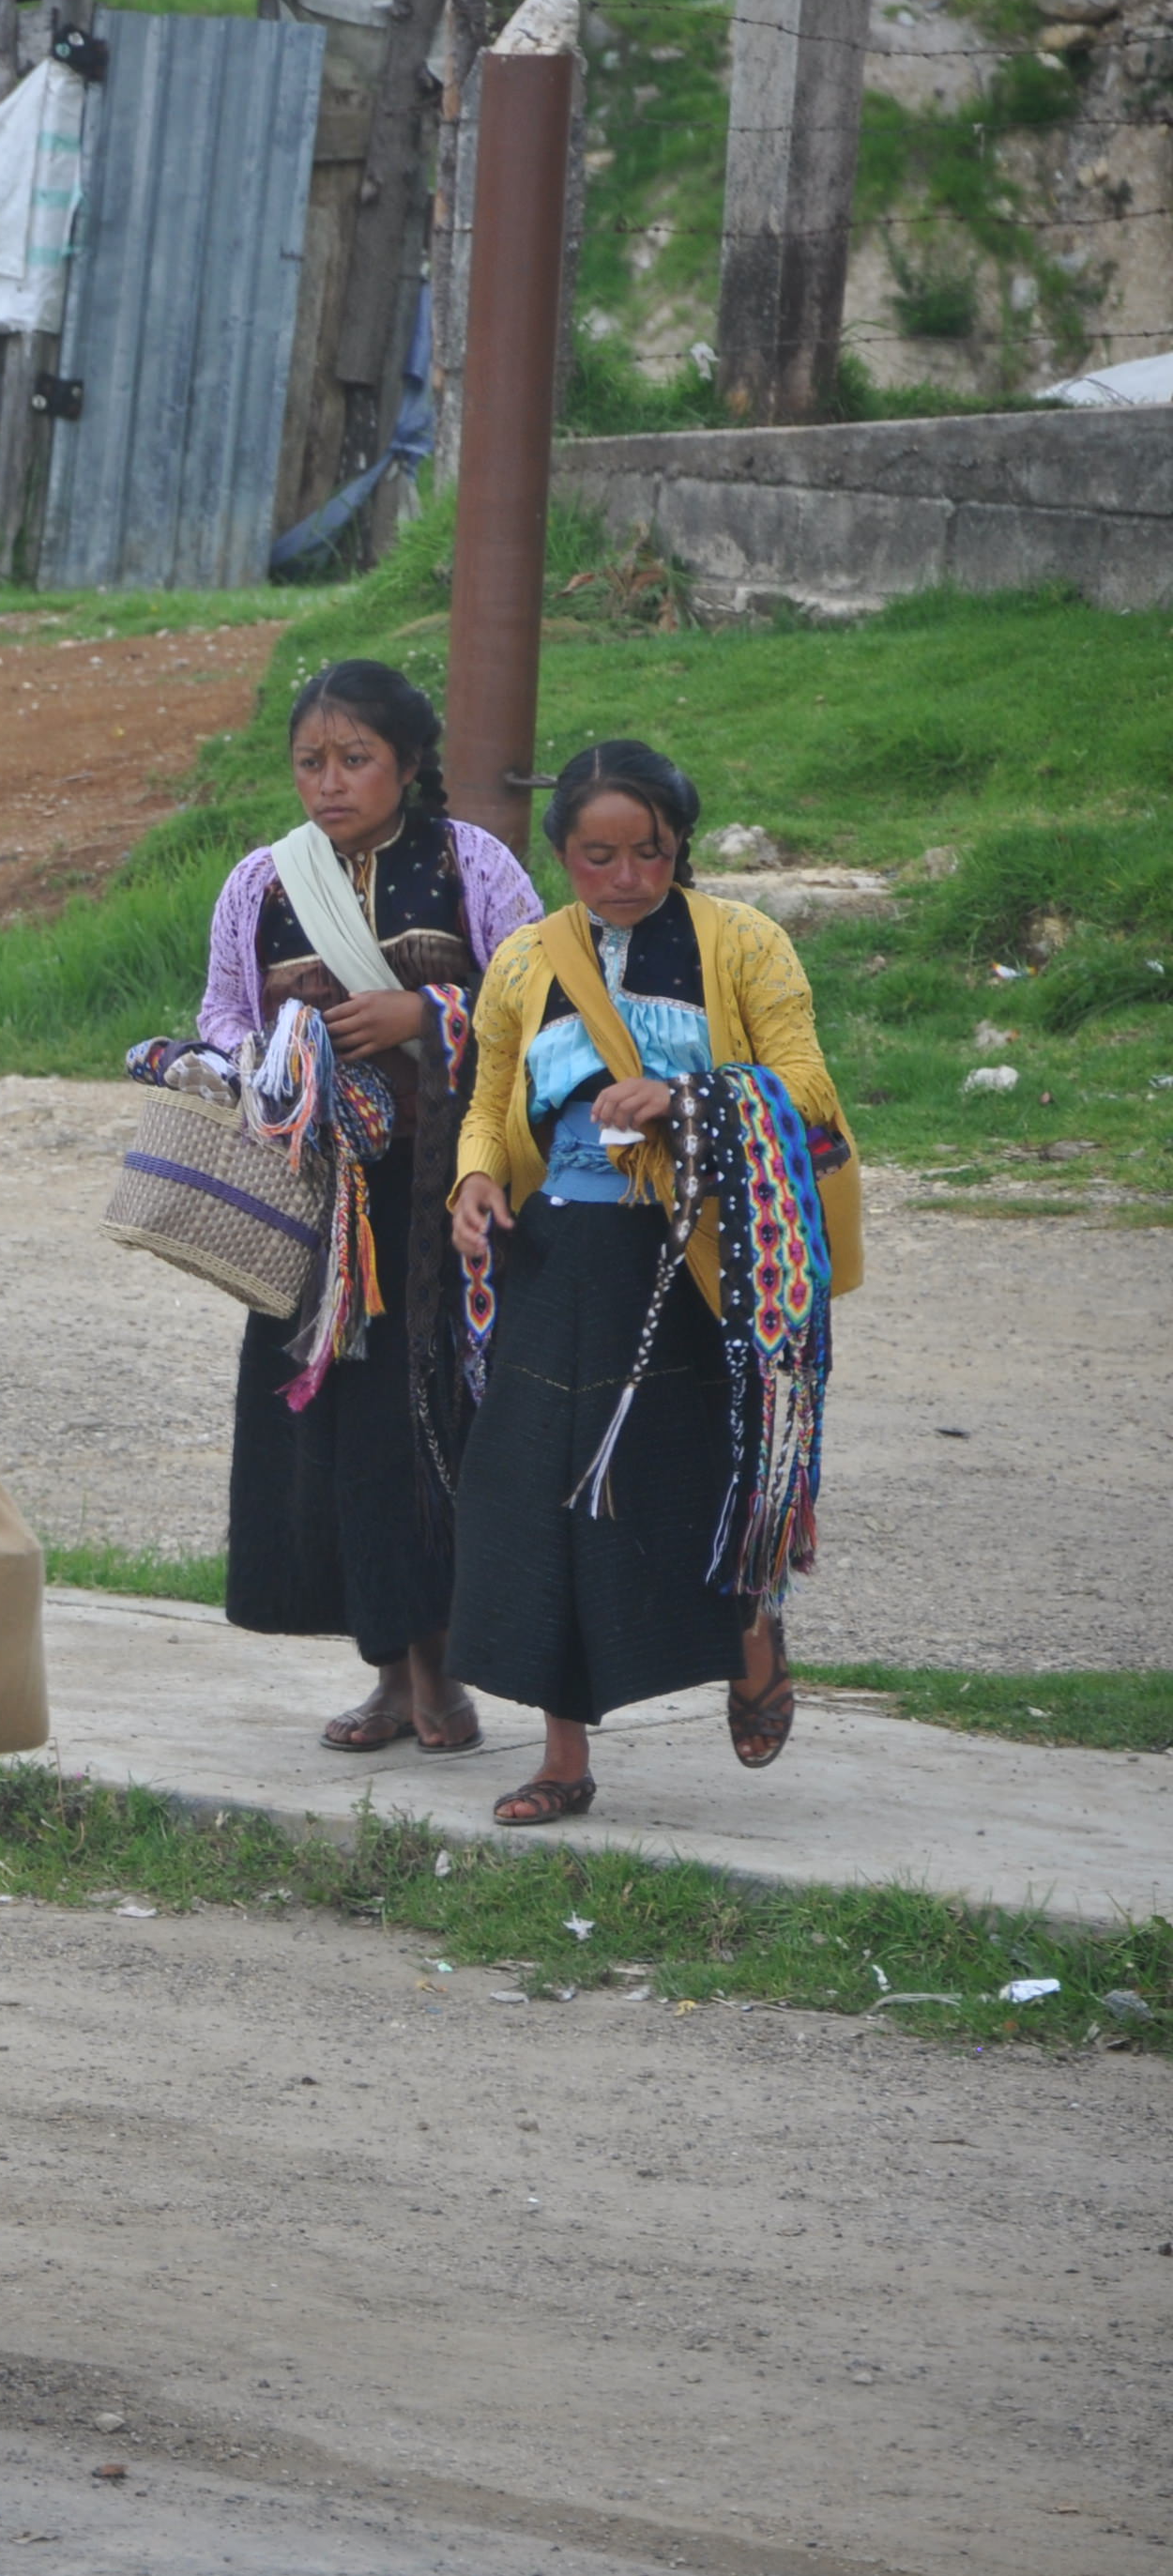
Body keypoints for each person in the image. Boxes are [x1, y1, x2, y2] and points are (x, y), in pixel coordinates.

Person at [449, 743, 859, 1823]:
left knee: (691, 1476)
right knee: (536, 1497)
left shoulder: (744, 944)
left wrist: (683, 1099)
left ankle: (749, 1633)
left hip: (696, 1260)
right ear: (563, 855)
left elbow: (806, 1084)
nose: (626, 876)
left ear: (678, 845)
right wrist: (475, 1178)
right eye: (598, 855)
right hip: (555, 1256)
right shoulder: (526, 960)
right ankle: (561, 1754)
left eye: (649, 852)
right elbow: (491, 1091)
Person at [198, 660, 542, 1756]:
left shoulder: (467, 862)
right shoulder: (263, 881)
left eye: (355, 760)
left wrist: (424, 1010)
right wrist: (261, 1062)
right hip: (318, 1211)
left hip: (447, 1207)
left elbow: (537, 998)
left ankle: (446, 1668)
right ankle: (388, 1675)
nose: (330, 783)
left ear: (407, 765)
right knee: (340, 1437)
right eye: (312, 762)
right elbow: (219, 1012)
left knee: (439, 1423)